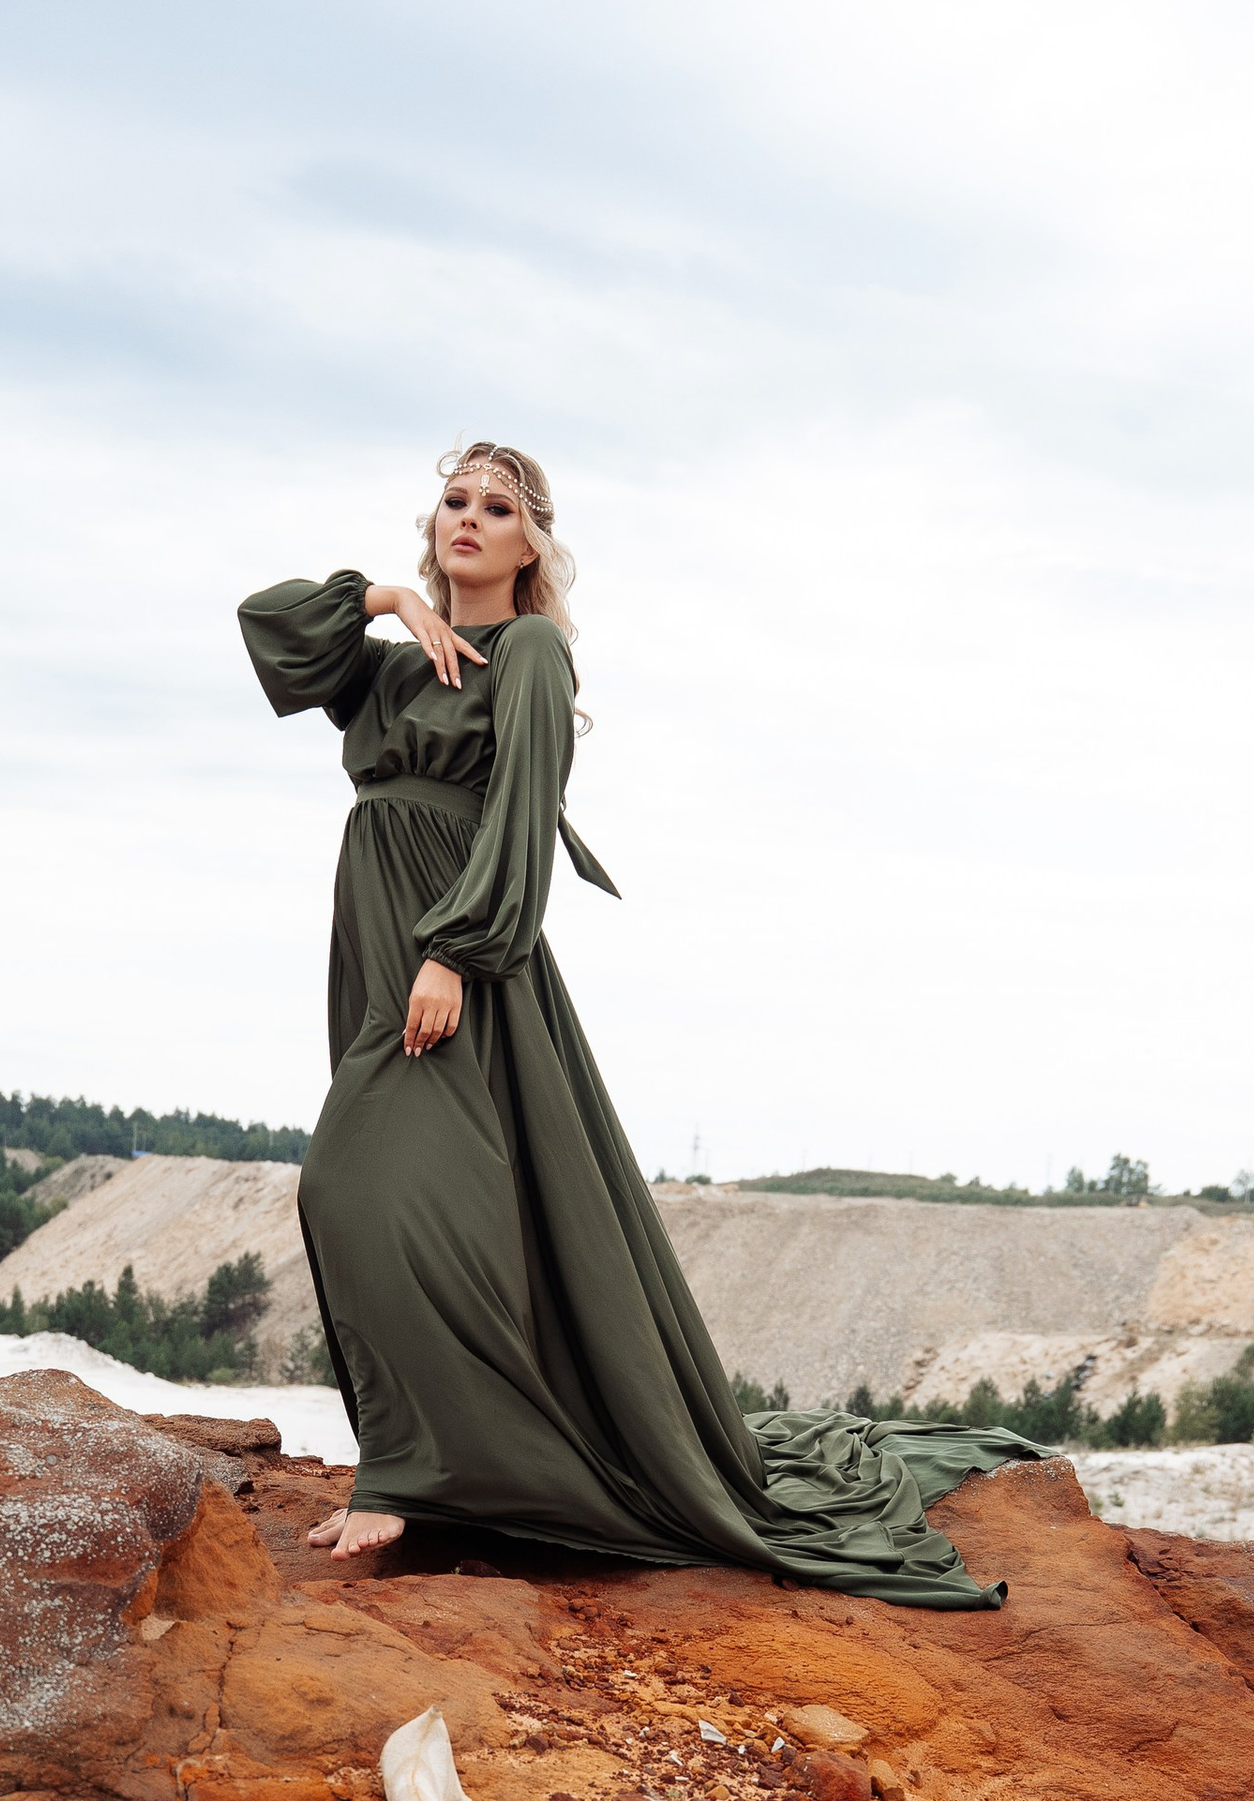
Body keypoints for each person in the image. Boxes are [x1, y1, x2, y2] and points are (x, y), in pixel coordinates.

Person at [238, 442, 1029, 1602]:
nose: (468, 519)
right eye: (453, 501)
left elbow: (522, 810)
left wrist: (455, 951)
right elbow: (270, 630)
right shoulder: (391, 668)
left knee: (354, 1188)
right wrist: (383, 598)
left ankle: (406, 1475)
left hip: (456, 952)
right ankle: (430, 1461)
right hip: (373, 941)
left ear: (531, 543)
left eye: (496, 507)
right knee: (462, 1206)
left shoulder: (532, 652)